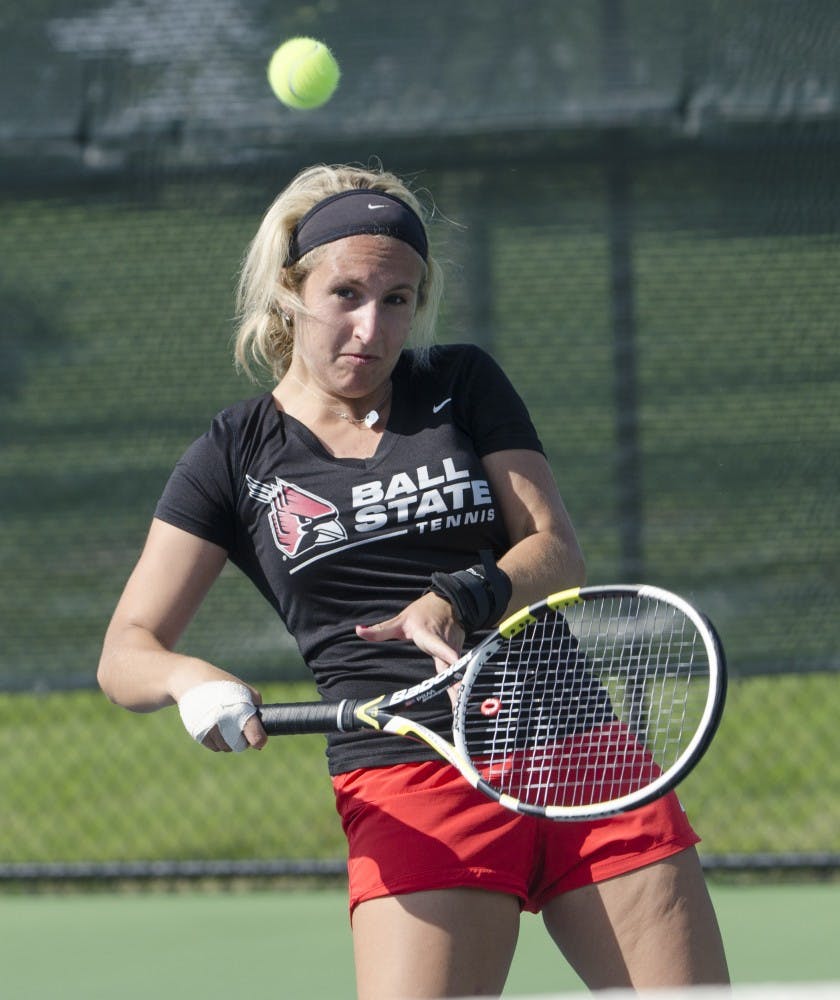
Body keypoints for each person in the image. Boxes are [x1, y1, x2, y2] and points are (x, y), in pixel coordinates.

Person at [98, 161, 729, 997]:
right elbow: (126, 651)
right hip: (410, 781)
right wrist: (191, 681)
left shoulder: (459, 384)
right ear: (292, 293)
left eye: (397, 300)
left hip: (578, 756)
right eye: (346, 295)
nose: (371, 325)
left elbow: (553, 548)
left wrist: (459, 597)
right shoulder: (234, 454)